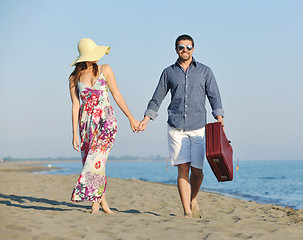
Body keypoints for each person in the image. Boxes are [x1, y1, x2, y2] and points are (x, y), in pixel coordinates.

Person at [138, 34, 225, 218]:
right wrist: (146, 119)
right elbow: (157, 98)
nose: (184, 50)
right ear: (176, 50)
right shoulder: (168, 72)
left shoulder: (205, 71)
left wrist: (219, 118)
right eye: (181, 47)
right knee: (183, 168)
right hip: (175, 126)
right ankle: (187, 211)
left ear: (193, 48)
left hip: (198, 127)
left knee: (198, 171)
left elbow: (214, 96)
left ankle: (193, 198)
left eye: (188, 46)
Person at [69, 38, 140, 214]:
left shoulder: (105, 69)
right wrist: (74, 134)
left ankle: (94, 203)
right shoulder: (73, 78)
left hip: (106, 121)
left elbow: (116, 94)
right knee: (95, 162)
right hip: (86, 125)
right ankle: (103, 202)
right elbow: (75, 105)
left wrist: (131, 118)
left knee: (96, 160)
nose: (95, 58)